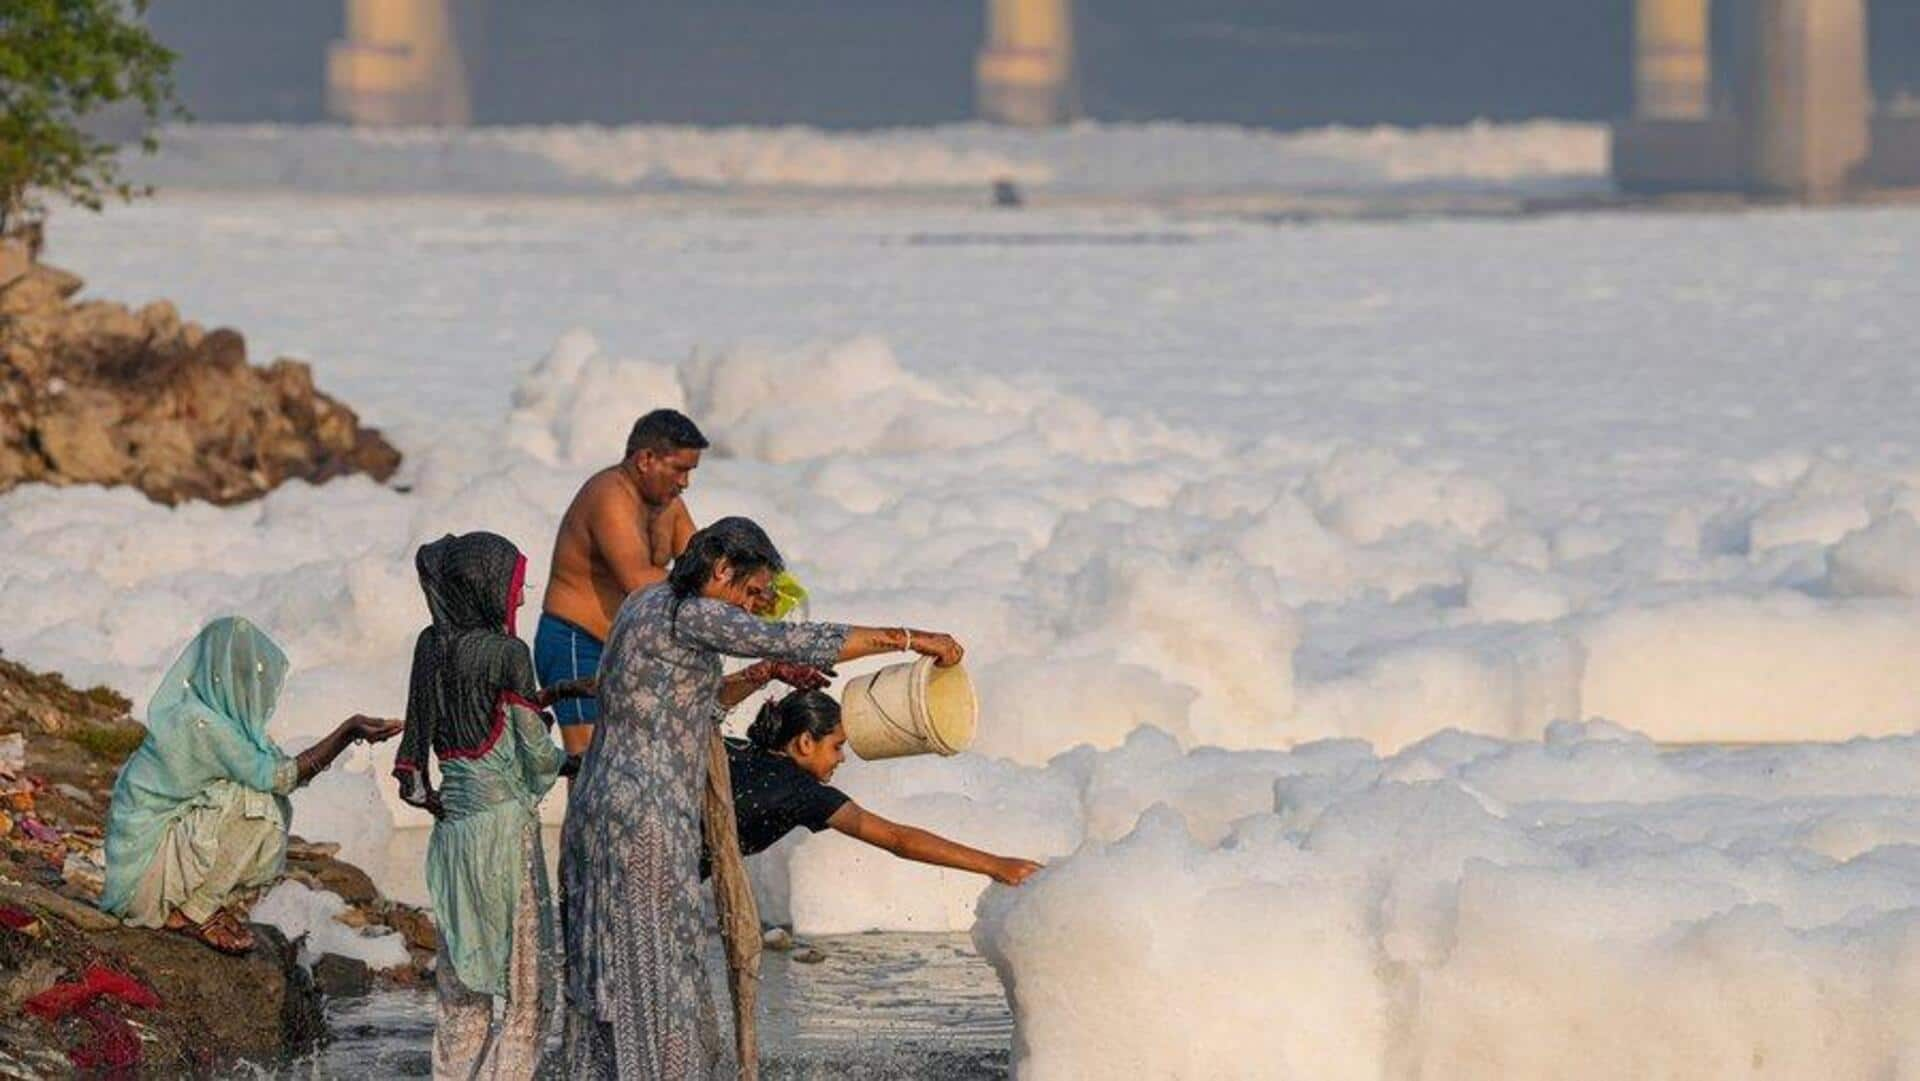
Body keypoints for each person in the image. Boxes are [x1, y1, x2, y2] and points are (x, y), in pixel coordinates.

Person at [560, 516, 970, 1079]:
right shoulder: (693, 611)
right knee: (658, 972)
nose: (752, 608)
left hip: (597, 809)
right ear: (721, 569)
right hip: (647, 819)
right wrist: (909, 640)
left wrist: (762, 673)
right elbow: (794, 636)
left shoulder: (644, 602)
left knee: (608, 964)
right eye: (752, 592)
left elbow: (686, 703)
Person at [393, 532, 591, 1081]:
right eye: (514, 585)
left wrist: (449, 800)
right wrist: (571, 761)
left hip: (454, 839)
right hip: (505, 839)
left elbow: (411, 770)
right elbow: (533, 755)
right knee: (527, 996)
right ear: (484, 586)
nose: (521, 599)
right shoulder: (508, 654)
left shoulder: (429, 646)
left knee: (463, 996)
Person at [101, 617, 401, 955]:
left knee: (250, 793)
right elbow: (280, 778)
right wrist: (348, 732)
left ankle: (195, 904)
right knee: (256, 800)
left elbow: (279, 770)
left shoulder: (213, 719)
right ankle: (192, 911)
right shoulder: (198, 723)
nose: (254, 689)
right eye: (246, 677)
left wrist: (348, 733)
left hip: (150, 865)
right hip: (142, 884)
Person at [712, 690, 1042, 885]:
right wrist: (996, 866)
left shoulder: (728, 748)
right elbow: (898, 840)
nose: (841, 758)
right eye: (837, 746)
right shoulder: (803, 792)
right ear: (805, 742)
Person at [535, 409, 705, 756]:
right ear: (645, 459)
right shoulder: (609, 494)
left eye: (690, 472)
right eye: (679, 469)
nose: (685, 482)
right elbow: (638, 580)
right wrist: (713, 590)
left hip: (624, 648)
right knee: (588, 759)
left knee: (630, 758)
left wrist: (749, 588)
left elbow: (702, 562)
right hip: (575, 639)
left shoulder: (669, 504)